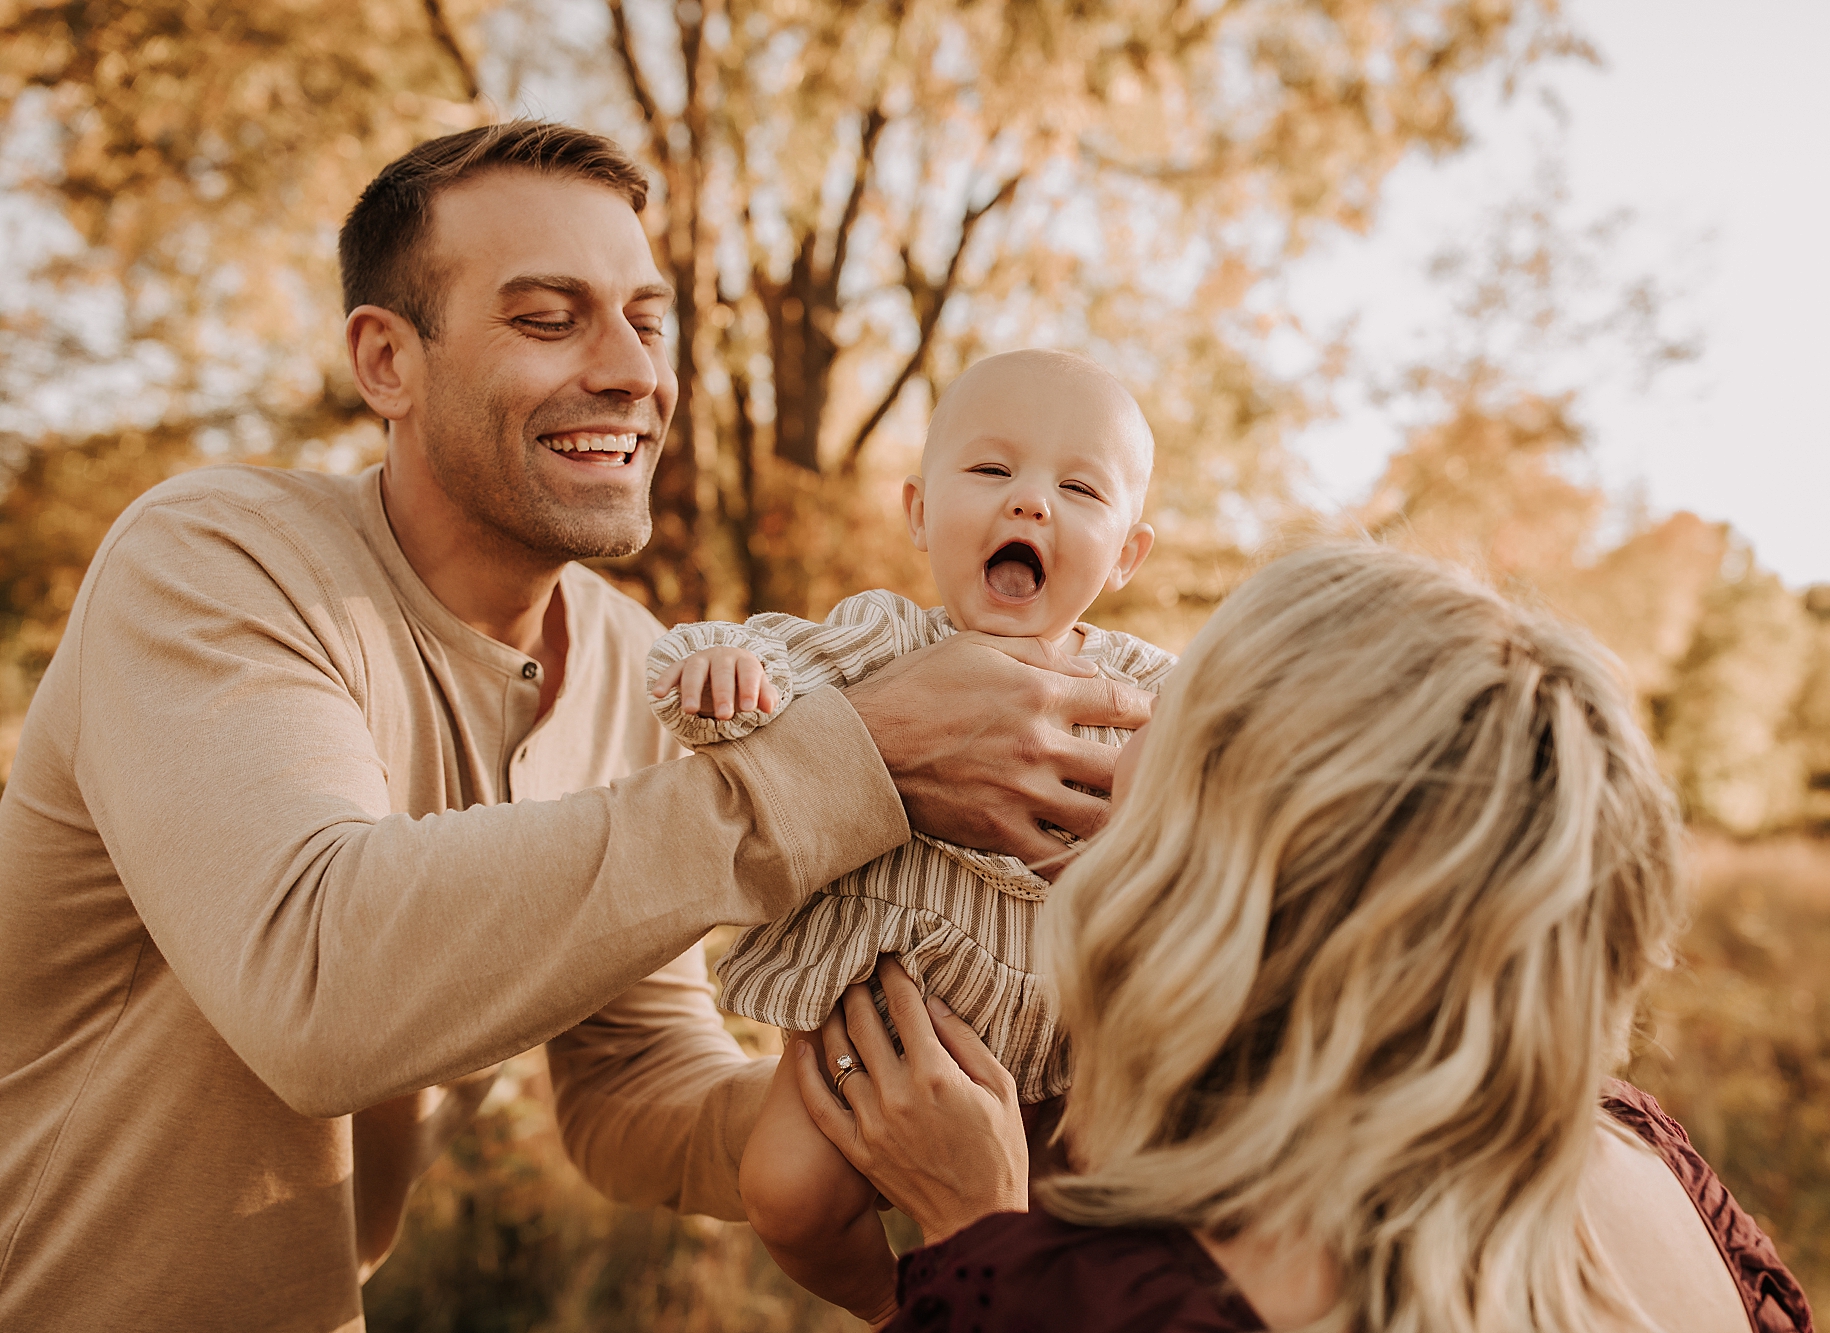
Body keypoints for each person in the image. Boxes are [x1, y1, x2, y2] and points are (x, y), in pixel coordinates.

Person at [0, 121, 1152, 1332]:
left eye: (647, 321)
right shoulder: (214, 563)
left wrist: (877, 1100)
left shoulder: (623, 656)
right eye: (549, 319)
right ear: (386, 360)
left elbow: (630, 1077)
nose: (630, 372)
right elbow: (316, 981)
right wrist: (857, 758)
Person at [796, 544, 1816, 1332]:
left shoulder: (1100, 1295)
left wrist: (979, 1243)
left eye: (1174, 705)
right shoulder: (1626, 1146)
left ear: (1230, 852)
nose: (1127, 735)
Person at [648, 348, 1174, 1321]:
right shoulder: (884, 641)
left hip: (1065, 1034)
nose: (1029, 505)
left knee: (1102, 1206)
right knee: (787, 1192)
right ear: (920, 512)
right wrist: (724, 671)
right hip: (876, 1005)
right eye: (990, 471)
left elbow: (1238, 743)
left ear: (1126, 555)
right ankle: (895, 1309)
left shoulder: (1138, 687)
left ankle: (1006, 1300)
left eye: (1076, 487)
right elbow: (763, 656)